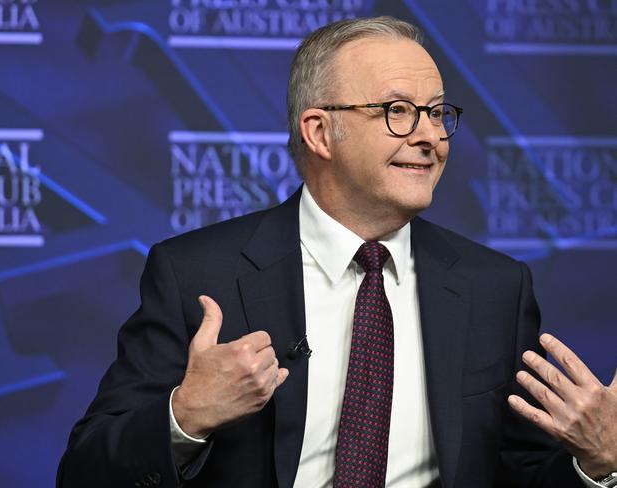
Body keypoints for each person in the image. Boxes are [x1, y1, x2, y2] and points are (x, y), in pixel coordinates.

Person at [57, 16, 617, 488]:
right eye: (398, 110)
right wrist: (184, 417)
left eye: (439, 112)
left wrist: (598, 464)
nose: (431, 136)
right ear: (320, 133)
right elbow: (85, 470)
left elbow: (522, 475)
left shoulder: (495, 286)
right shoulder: (197, 273)